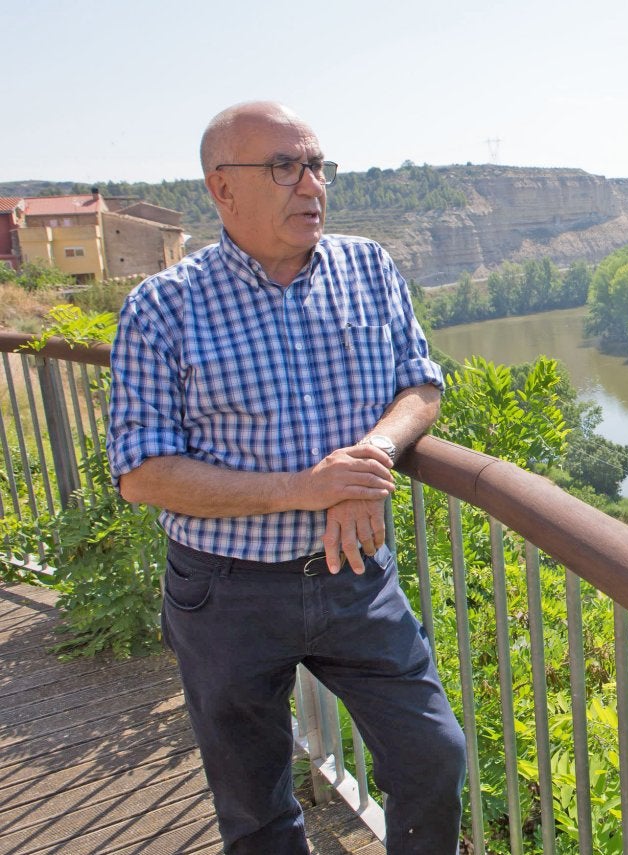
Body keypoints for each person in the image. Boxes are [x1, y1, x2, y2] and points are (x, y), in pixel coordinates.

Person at [106, 101, 467, 854]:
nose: (312, 186)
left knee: (434, 756)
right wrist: (305, 487)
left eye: (317, 165)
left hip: (356, 576)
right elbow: (141, 470)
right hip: (225, 593)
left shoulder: (367, 266)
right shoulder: (162, 308)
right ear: (221, 189)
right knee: (257, 808)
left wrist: (366, 458)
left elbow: (421, 385)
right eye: (284, 166)